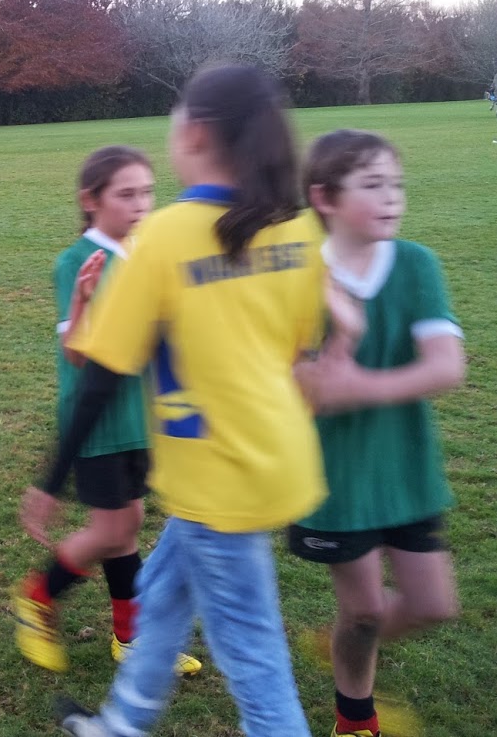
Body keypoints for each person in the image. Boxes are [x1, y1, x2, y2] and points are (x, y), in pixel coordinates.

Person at [25, 64, 329, 737]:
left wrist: (50, 479)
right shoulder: (297, 228)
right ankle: (120, 722)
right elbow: (300, 353)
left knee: (254, 659)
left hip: (216, 477)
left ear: (192, 132)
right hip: (268, 459)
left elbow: (101, 373)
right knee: (160, 592)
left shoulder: (164, 235)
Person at [290, 130, 464, 737]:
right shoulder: (297, 278)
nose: (392, 197)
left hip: (406, 470)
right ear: (325, 198)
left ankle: (331, 644)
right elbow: (283, 386)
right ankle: (354, 720)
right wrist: (308, 384)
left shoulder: (416, 264)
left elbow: (448, 366)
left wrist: (356, 385)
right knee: (361, 610)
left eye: (396, 183)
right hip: (334, 477)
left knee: (434, 605)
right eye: (372, 185)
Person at [12, 146, 200, 678]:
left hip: (137, 417)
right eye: (126, 194)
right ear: (90, 201)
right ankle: (37, 598)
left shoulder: (144, 254)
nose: (140, 204)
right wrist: (81, 303)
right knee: (113, 530)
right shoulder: (77, 261)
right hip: (94, 420)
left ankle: (128, 637)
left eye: (147, 191)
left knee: (129, 523)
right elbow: (75, 351)